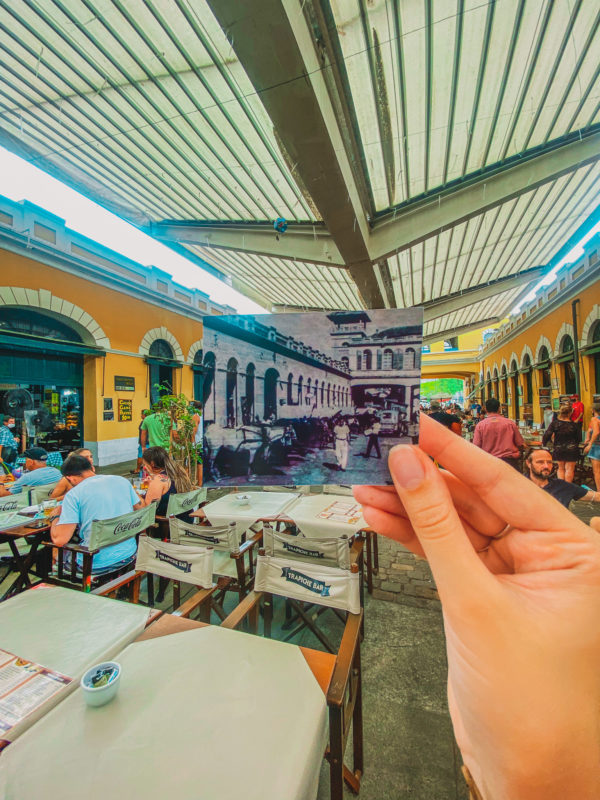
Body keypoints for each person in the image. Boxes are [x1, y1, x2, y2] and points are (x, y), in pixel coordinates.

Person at [354, 414, 600, 798]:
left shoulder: (483, 428)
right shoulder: (513, 437)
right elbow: (518, 445)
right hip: (497, 489)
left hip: (487, 487)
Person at [50, 455, 142, 573]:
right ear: (92, 468)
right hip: (130, 553)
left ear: (70, 478)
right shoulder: (122, 481)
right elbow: (140, 507)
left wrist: (55, 517)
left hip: (95, 564)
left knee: (55, 549)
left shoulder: (74, 495)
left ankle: (53, 585)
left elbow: (60, 540)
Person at [525, 447, 599, 508]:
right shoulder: (519, 485)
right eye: (540, 462)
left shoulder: (562, 486)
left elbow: (595, 496)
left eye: (549, 462)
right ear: (528, 463)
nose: (546, 466)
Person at [139, 446, 193, 518]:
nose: (144, 468)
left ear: (152, 463)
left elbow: (147, 511)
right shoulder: (178, 471)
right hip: (186, 520)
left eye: (145, 464)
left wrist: (135, 495)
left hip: (167, 525)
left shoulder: (158, 481)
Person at [473, 397, 524, 470]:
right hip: (509, 463)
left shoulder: (480, 425)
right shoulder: (510, 423)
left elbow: (476, 446)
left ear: (486, 409)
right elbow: (520, 443)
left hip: (489, 463)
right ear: (499, 409)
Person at [542, 403, 581, 481]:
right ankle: (568, 488)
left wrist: (545, 443)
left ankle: (561, 487)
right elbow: (579, 438)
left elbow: (547, 434)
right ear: (570, 413)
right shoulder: (574, 425)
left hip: (559, 448)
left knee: (561, 468)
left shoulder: (555, 423)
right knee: (569, 469)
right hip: (572, 449)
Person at [583, 403, 600, 490]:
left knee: (597, 471)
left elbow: (596, 432)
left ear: (593, 410)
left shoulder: (594, 419)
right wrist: (588, 436)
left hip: (597, 447)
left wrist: (589, 444)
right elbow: (589, 430)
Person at [135, 409, 151, 473]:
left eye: (141, 414)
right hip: (149, 442)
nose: (141, 415)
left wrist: (143, 445)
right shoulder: (150, 421)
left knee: (140, 456)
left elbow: (143, 433)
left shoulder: (144, 422)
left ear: (144, 415)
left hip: (144, 443)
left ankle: (138, 469)